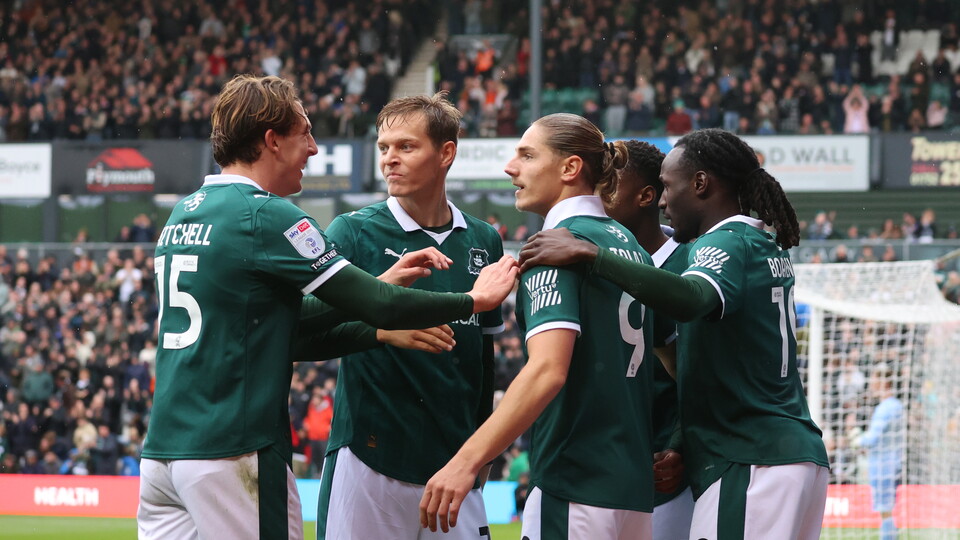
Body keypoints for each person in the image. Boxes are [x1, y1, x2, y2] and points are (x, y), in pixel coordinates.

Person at [136, 75, 518, 540]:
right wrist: (471, 300)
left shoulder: (183, 213)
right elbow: (372, 304)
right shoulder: (270, 216)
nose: (315, 149)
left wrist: (375, 317)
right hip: (236, 445)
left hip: (163, 452)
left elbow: (284, 322)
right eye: (306, 135)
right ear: (272, 141)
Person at [518, 128, 829, 540]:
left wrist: (594, 255)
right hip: (787, 454)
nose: (664, 200)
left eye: (667, 187)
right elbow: (698, 369)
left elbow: (694, 296)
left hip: (750, 458)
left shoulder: (725, 243)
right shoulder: (763, 243)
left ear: (700, 184)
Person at [420, 113, 657, 539]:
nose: (511, 167)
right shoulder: (631, 246)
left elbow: (548, 370)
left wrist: (466, 460)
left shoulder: (554, 247)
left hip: (575, 481)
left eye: (527, 155)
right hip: (633, 490)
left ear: (570, 169)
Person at [315, 93, 506, 540]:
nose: (389, 160)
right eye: (384, 148)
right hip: (370, 456)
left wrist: (482, 449)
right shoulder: (353, 231)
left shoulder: (483, 240)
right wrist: (382, 330)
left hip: (455, 464)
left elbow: (484, 356)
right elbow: (306, 329)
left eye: (405, 146)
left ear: (446, 153)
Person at [603, 140, 694, 539]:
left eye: (611, 184)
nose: (598, 194)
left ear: (645, 196)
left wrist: (680, 446)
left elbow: (699, 374)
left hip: (668, 472)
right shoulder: (591, 257)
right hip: (604, 468)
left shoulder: (691, 264)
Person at [851, 364, 904, 540]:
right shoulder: (896, 406)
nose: (871, 383)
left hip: (883, 466)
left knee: (885, 510)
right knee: (886, 510)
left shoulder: (885, 408)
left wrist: (858, 440)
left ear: (883, 382)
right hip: (893, 462)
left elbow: (873, 438)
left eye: (874, 379)